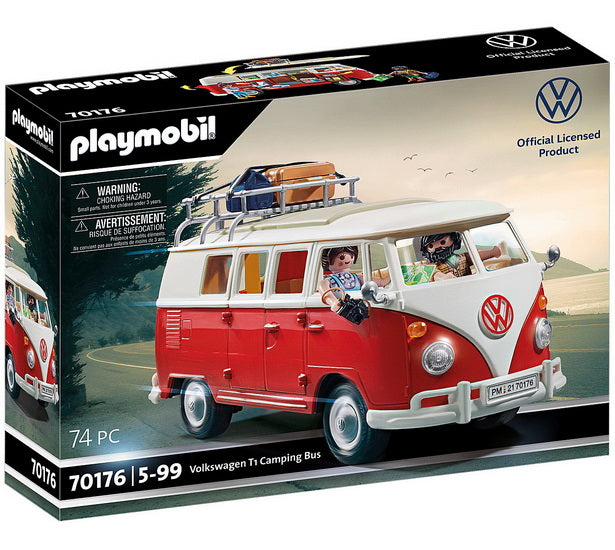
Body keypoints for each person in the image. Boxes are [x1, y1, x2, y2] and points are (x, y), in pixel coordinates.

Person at [318, 246, 390, 324]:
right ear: (328, 260)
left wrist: (393, 274)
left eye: (352, 256)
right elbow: (326, 294)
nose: (348, 260)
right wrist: (333, 302)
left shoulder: (358, 277)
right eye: (341, 257)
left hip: (359, 307)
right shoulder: (328, 281)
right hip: (343, 311)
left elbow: (381, 282)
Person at [420, 232, 500, 281]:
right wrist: (442, 277)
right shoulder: (432, 265)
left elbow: (475, 256)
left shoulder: (462, 257)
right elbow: (434, 273)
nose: (438, 248)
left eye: (443, 242)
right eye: (431, 246)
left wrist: (492, 252)